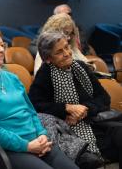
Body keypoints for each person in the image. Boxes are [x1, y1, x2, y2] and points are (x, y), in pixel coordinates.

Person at [0, 23, 79, 169]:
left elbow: (31, 112)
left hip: (35, 142)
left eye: (2, 45)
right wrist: (26, 146)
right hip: (0, 150)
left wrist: (42, 135)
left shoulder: (12, 78)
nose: (0, 49)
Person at [29, 31, 122, 169]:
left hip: (95, 122)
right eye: (59, 52)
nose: (67, 53)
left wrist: (84, 110)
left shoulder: (81, 67)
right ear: (48, 59)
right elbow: (35, 106)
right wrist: (66, 108)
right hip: (68, 132)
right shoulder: (45, 74)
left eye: (67, 47)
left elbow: (104, 98)